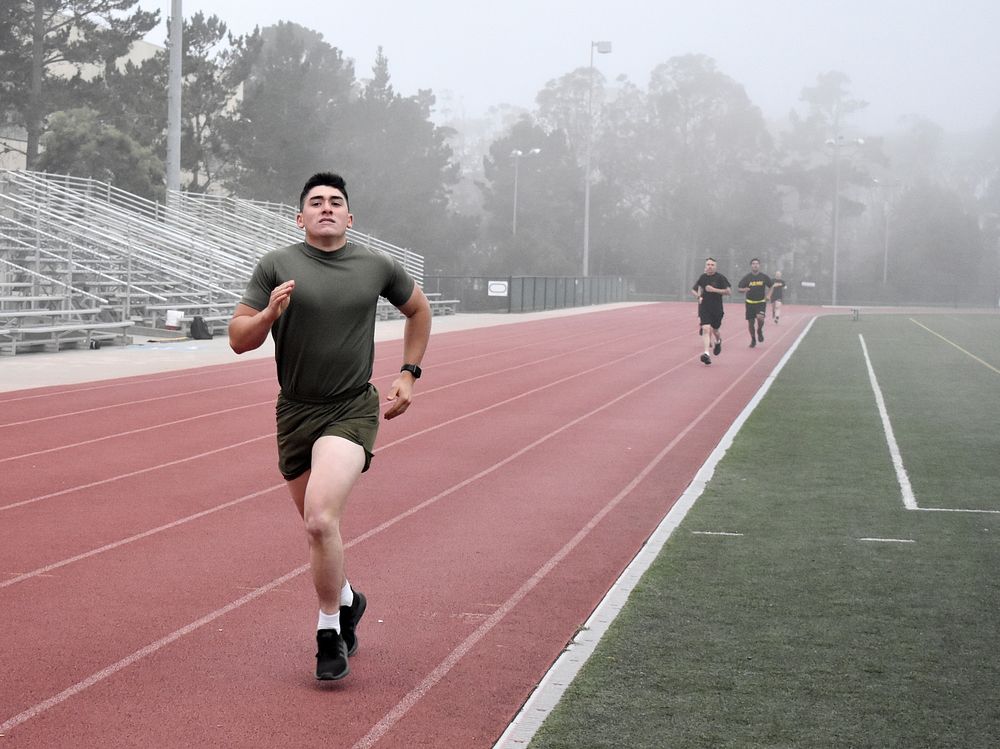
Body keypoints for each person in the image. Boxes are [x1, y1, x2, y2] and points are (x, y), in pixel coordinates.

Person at [228, 172, 432, 681]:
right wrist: (269, 313)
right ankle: (348, 597)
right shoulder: (276, 265)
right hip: (295, 412)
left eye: (335, 202)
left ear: (349, 216)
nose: (326, 208)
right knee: (319, 529)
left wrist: (409, 373)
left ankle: (329, 631)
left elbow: (418, 309)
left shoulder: (375, 265)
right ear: (300, 218)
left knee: (320, 518)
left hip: (351, 409)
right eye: (315, 202)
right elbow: (237, 339)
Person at [690, 257, 732, 365]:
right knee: (705, 328)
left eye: (712, 265)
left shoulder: (720, 277)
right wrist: (698, 297)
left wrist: (714, 290)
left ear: (715, 266)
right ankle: (706, 353)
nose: (710, 266)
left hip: (717, 308)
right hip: (705, 307)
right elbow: (696, 290)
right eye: (708, 264)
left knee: (715, 330)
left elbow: (728, 291)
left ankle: (718, 341)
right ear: (705, 266)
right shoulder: (702, 277)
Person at [737, 258, 772, 348]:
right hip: (750, 303)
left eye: (757, 263)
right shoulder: (747, 277)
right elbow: (739, 288)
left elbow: (772, 286)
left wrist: (768, 295)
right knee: (751, 323)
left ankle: (759, 330)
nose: (755, 265)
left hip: (760, 302)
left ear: (759, 265)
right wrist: (744, 289)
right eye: (753, 263)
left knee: (760, 318)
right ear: (751, 266)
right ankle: (753, 339)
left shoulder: (763, 277)